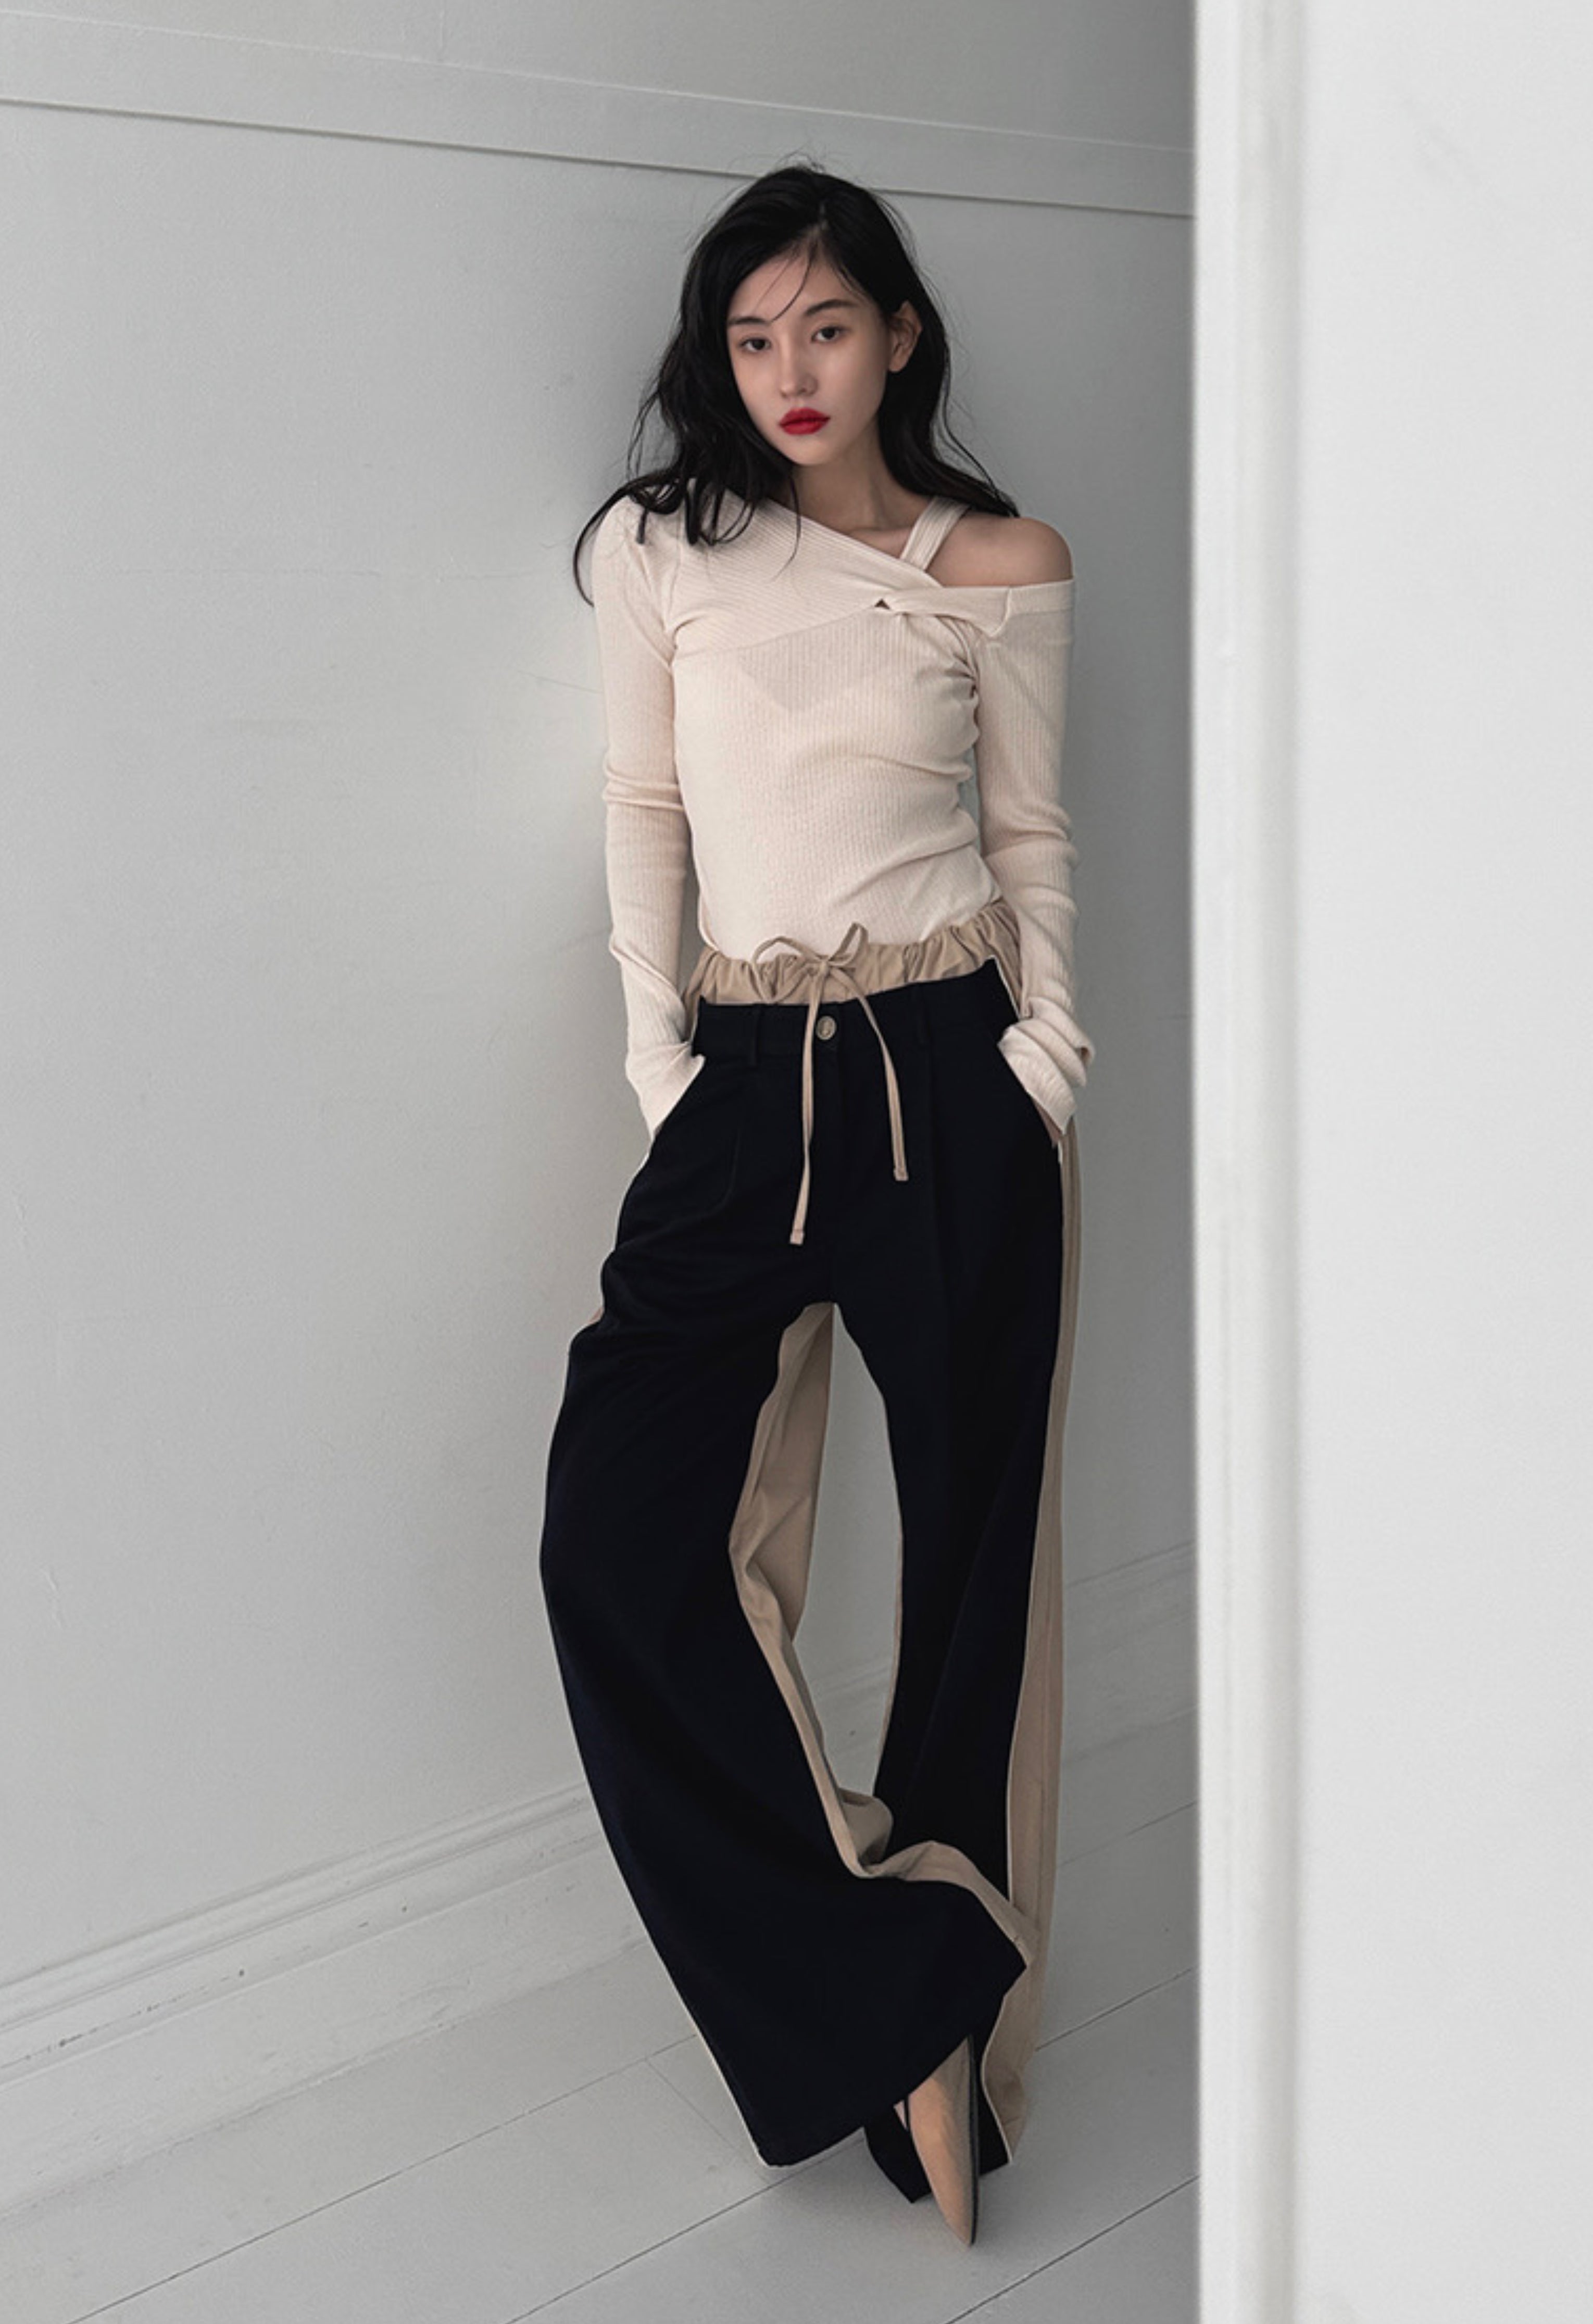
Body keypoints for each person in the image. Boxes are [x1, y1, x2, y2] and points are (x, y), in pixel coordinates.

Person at [537, 160, 1093, 2248]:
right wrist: (664, 1069)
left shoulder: (998, 560)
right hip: (743, 1073)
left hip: (955, 1069)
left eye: (826, 327)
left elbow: (1030, 838)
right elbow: (642, 803)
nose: (788, 369)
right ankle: (896, 1964)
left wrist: (1046, 1061)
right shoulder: (659, 549)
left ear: (898, 336)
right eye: (753, 333)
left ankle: (958, 2077)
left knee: (974, 1572)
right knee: (617, 1539)